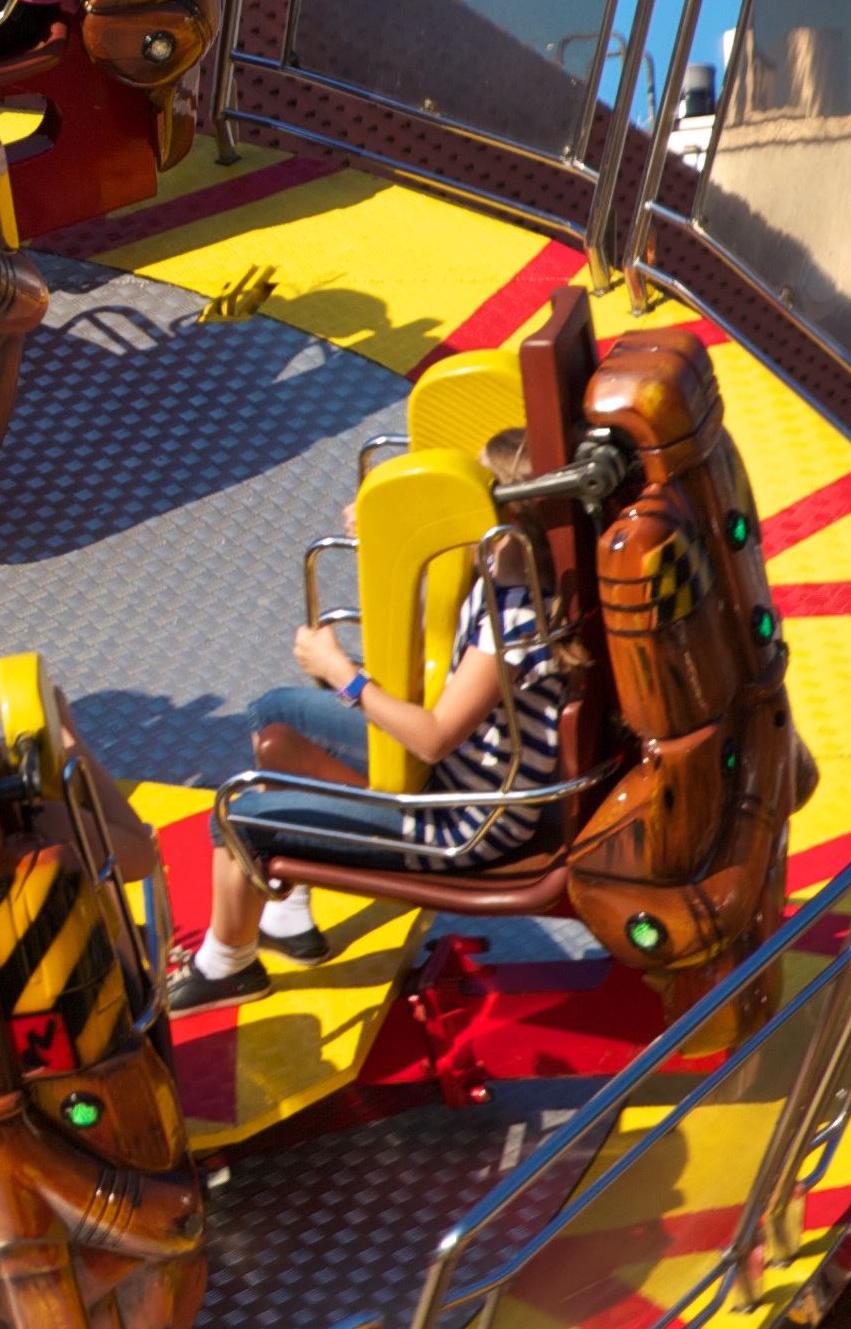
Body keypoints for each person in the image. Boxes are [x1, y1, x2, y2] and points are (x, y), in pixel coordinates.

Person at [168, 432, 585, 1017]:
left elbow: (434, 737)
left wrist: (343, 676)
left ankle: (226, 968)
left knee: (235, 819)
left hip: (463, 823)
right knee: (276, 717)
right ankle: (287, 916)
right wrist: (391, 540)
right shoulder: (502, 562)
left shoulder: (514, 618)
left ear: (505, 517)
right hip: (455, 780)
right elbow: (436, 616)